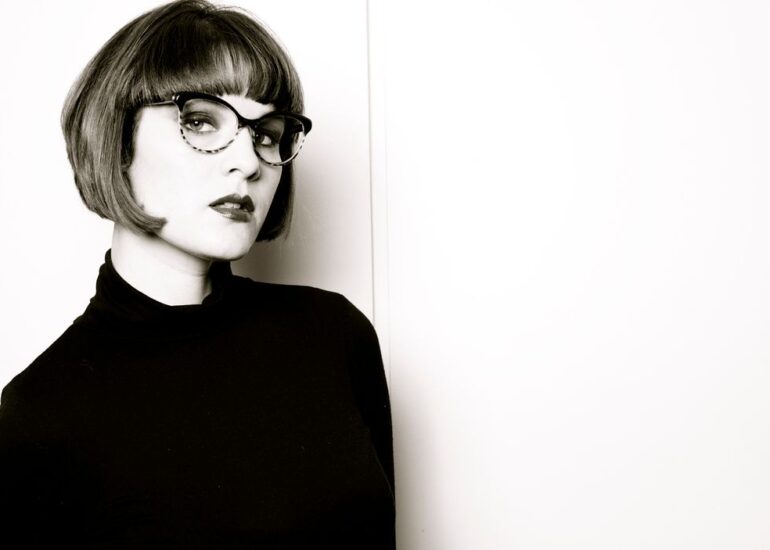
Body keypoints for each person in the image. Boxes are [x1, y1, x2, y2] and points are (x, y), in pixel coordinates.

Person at [0, 1, 395, 548]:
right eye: (201, 121)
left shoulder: (333, 335)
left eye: (266, 133)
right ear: (115, 139)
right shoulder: (43, 412)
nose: (249, 163)